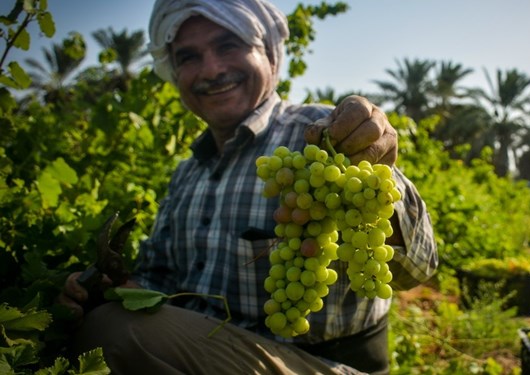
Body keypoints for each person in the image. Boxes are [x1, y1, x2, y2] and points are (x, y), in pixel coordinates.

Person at [57, 1, 438, 374]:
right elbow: (162, 279)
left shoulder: (324, 134)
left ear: (270, 56)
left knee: (117, 332)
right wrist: (114, 288)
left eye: (228, 45)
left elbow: (418, 270)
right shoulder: (187, 172)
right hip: (203, 348)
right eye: (188, 57)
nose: (211, 69)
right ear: (173, 72)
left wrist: (376, 176)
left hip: (322, 364)